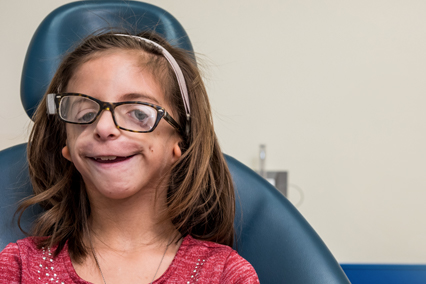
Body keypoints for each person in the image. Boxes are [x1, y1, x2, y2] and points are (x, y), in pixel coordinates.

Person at [0, 31, 259, 283]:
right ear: (65, 143)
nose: (103, 128)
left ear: (180, 141)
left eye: (138, 114)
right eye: (84, 114)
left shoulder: (225, 274)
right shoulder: (18, 267)